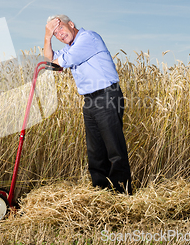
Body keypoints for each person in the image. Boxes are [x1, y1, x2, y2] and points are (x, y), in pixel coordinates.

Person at [44, 14, 132, 194]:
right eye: (55, 33)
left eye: (60, 28)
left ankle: (122, 194)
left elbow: (60, 63)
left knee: (114, 148)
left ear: (71, 24)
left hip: (107, 95)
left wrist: (54, 61)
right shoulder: (71, 47)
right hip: (90, 100)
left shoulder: (88, 38)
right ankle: (100, 192)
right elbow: (50, 59)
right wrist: (47, 37)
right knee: (95, 150)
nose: (59, 34)